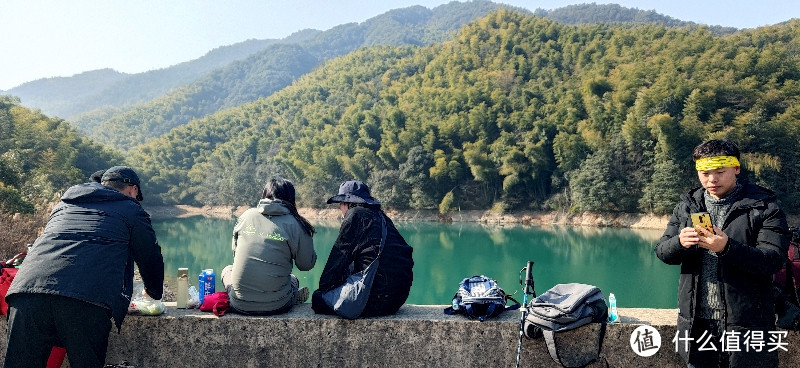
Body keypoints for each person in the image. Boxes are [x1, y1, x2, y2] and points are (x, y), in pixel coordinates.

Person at [3, 166, 165, 368]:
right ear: (133, 190)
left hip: (26, 293)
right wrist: (154, 293)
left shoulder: (64, 205)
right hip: (86, 297)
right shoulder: (131, 209)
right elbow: (150, 256)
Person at [655, 139, 789, 368]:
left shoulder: (764, 207)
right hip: (697, 323)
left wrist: (727, 248)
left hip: (747, 324)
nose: (712, 179)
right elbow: (662, 252)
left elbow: (773, 259)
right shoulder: (688, 206)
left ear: (736, 168)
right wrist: (680, 243)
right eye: (705, 173)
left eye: (720, 172)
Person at [312, 180, 414, 317]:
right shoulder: (381, 217)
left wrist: (324, 289)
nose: (340, 209)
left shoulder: (354, 215)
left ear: (346, 203)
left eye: (340, 204)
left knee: (318, 299)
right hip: (397, 299)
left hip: (377, 300)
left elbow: (338, 258)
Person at [222, 177, 316, 315]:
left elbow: (236, 255)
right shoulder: (297, 224)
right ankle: (293, 296)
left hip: (239, 304)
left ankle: (242, 295)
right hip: (277, 305)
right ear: (291, 198)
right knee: (293, 279)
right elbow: (306, 265)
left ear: (265, 194)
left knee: (227, 270)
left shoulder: (246, 216)